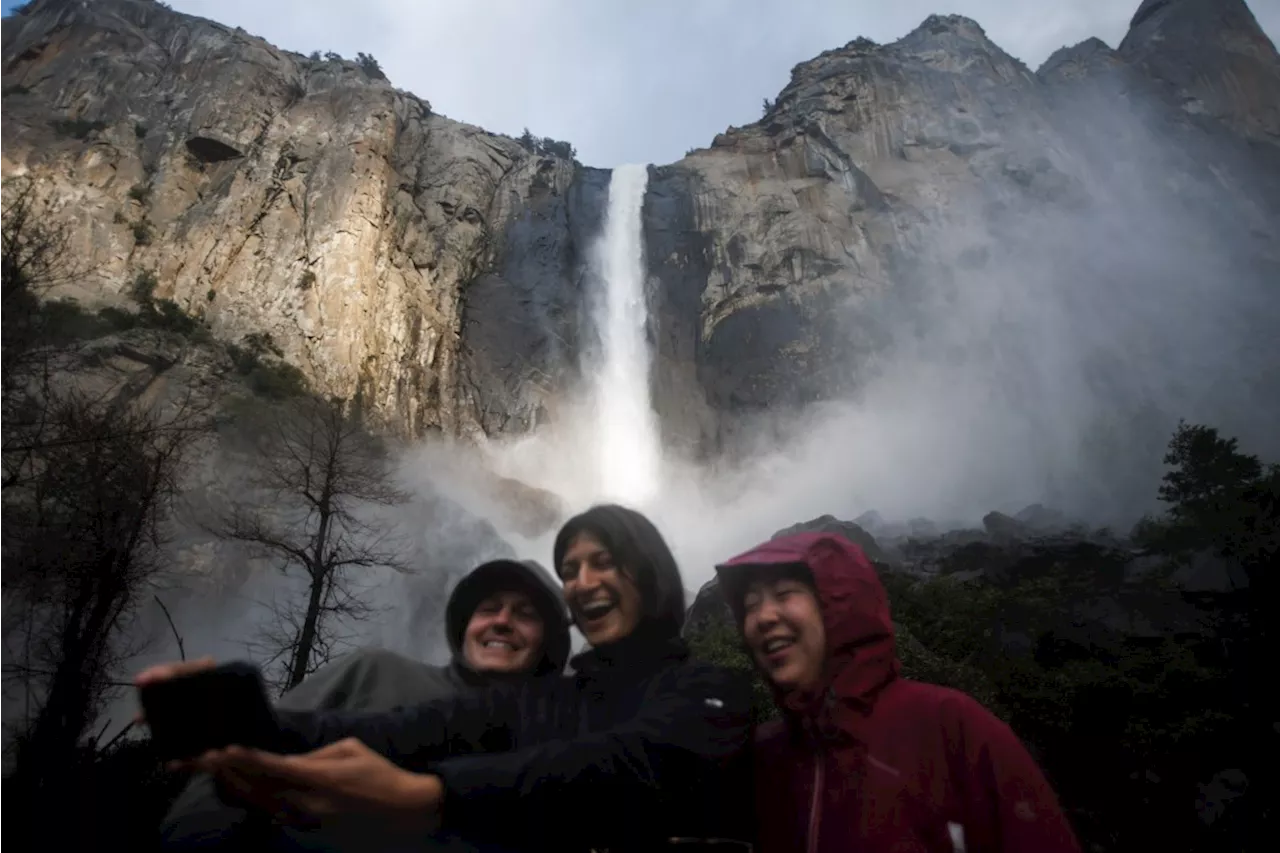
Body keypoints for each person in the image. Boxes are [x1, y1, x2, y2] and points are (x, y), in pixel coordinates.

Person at [138, 504, 752, 853]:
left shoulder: (712, 689)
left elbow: (628, 768)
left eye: (604, 562)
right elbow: (409, 729)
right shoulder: (542, 701)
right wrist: (255, 725)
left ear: (650, 571)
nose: (583, 582)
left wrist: (431, 798)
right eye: (571, 569)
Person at [159, 557, 571, 851]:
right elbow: (239, 763)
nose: (502, 620)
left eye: (525, 614)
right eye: (488, 608)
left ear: (547, 643)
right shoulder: (373, 671)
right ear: (466, 627)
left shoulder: (552, 749)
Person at [714, 531, 1083, 853]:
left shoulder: (948, 728)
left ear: (837, 604)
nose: (763, 617)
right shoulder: (762, 759)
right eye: (750, 605)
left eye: (784, 593)